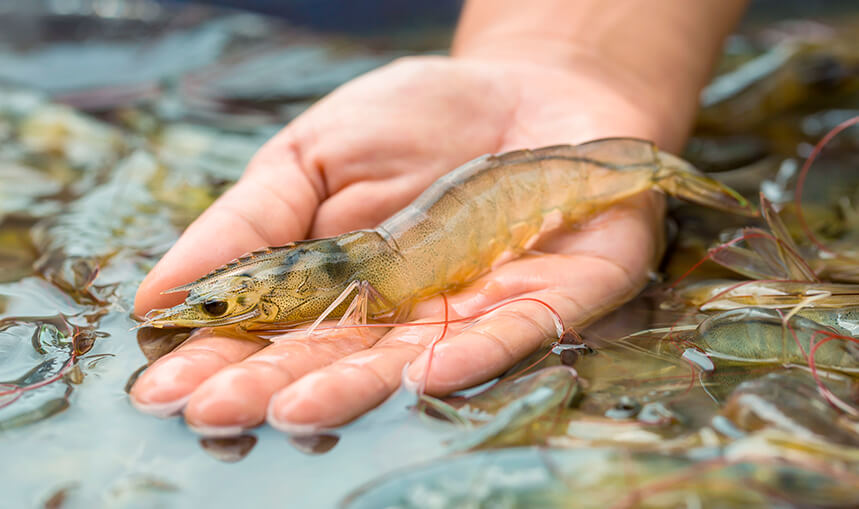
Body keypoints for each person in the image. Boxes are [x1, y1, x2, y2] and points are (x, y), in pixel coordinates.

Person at [131, 0, 748, 434]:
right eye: (215, 307)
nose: (206, 314)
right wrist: (568, 62)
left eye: (215, 308)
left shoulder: (346, 278)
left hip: (519, 185)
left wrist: (581, 68)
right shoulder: (320, 272)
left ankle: (651, 169)